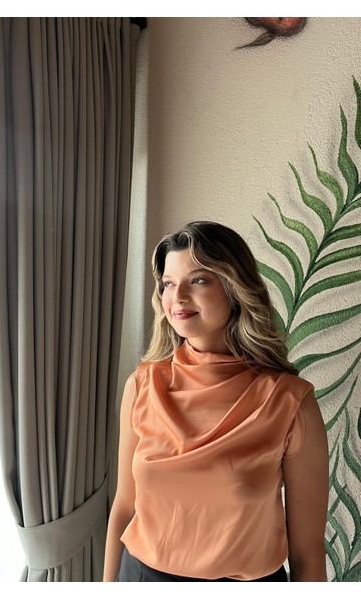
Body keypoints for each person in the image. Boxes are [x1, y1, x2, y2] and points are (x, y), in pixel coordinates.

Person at [103, 221, 329, 582]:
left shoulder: (289, 402)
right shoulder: (143, 384)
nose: (178, 297)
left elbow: (307, 554)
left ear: (235, 288)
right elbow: (124, 508)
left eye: (198, 280)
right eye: (168, 284)